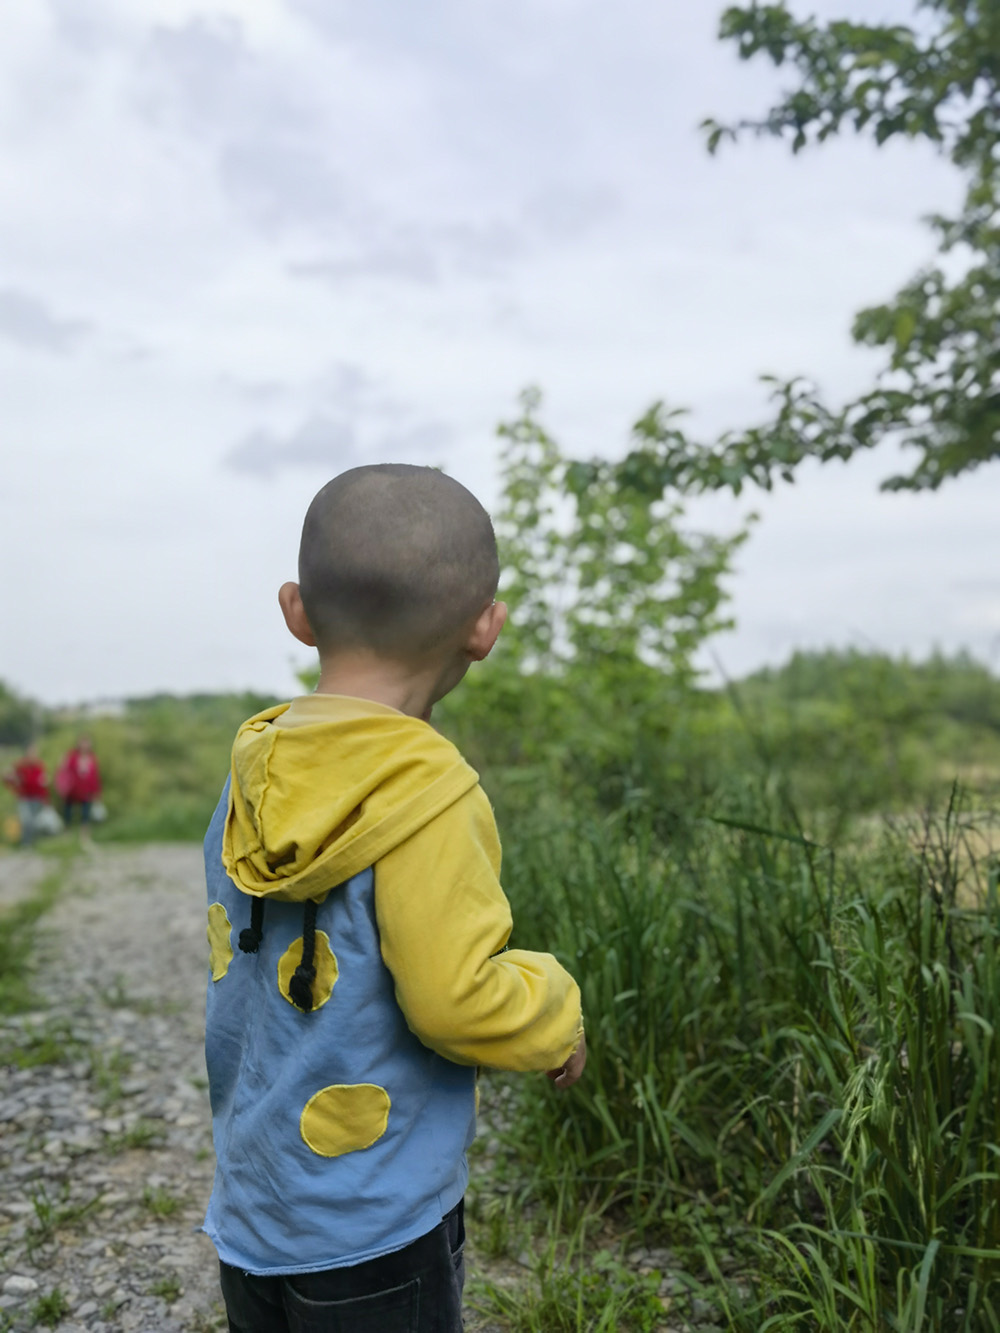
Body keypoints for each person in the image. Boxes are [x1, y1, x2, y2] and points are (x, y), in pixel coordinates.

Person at [202, 464, 586, 1333]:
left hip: (253, 1208)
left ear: (296, 610)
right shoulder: (432, 796)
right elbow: (453, 1002)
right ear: (484, 630)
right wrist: (555, 1007)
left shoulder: (251, 772)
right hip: (375, 1226)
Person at [56, 736, 102, 841]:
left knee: (86, 813)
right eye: (83, 743)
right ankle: (67, 833)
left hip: (86, 790)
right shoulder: (71, 755)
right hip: (72, 790)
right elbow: (64, 769)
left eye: (87, 743)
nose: (85, 745)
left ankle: (84, 836)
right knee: (68, 812)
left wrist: (97, 791)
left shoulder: (92, 757)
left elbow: (95, 775)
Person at [3, 743, 49, 847]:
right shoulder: (20, 765)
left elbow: (43, 783)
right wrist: (11, 779)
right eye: (31, 752)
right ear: (27, 753)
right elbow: (9, 778)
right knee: (26, 820)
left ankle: (33, 843)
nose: (33, 755)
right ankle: (25, 843)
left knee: (33, 822)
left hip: (37, 798)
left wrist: (46, 799)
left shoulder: (40, 765)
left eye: (35, 752)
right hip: (24, 798)